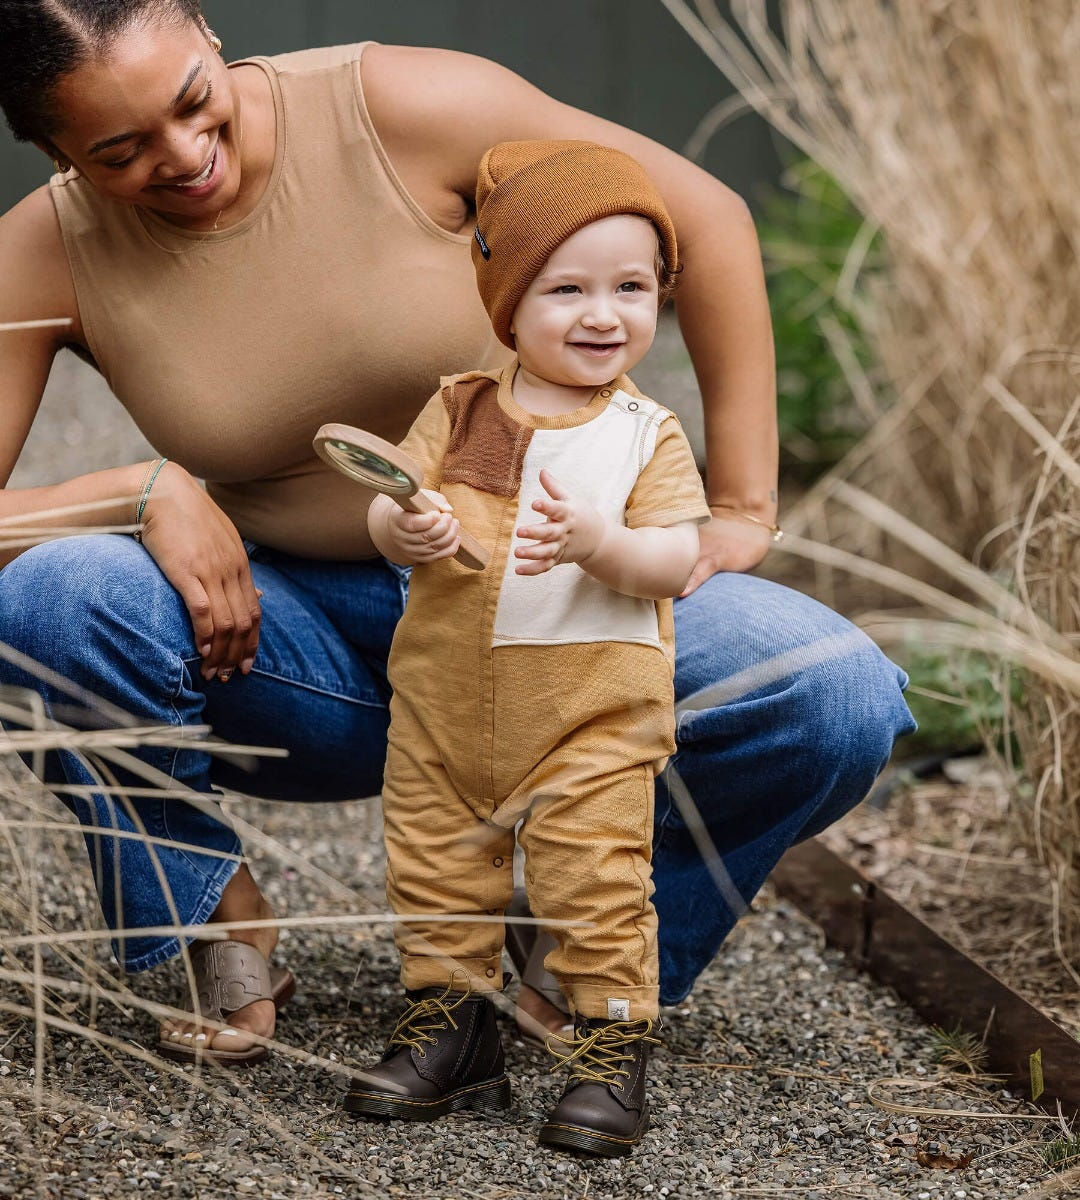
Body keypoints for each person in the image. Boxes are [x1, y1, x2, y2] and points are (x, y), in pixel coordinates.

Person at [0, 1, 915, 1073]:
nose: (187, 155)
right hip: (299, 650)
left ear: (206, 31)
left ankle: (578, 949)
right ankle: (220, 924)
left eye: (195, 104)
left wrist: (744, 505)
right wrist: (142, 489)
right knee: (53, 601)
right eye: (121, 152)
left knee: (833, 696)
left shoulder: (400, 106)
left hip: (562, 603)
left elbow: (703, 219)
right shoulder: (46, 249)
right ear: (51, 150)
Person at [342, 140, 711, 1157]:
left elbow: (677, 557)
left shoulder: (645, 432)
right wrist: (400, 532)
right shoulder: (460, 407)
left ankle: (609, 1042)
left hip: (587, 708)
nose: (604, 314)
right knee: (436, 869)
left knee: (596, 878)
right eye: (568, 289)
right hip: (443, 705)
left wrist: (603, 544)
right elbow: (396, 504)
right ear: (507, 303)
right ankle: (451, 1026)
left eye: (631, 287)